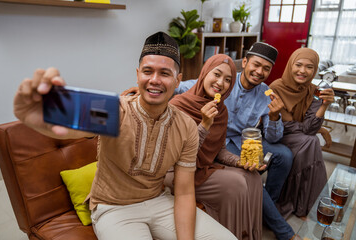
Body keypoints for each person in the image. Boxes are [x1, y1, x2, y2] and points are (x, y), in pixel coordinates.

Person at [13, 31, 236, 240]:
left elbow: (185, 193)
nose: (155, 80)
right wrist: (42, 114)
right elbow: (71, 123)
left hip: (160, 201)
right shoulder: (116, 109)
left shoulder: (186, 126)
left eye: (165, 73)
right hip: (114, 209)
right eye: (148, 71)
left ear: (178, 81)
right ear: (138, 75)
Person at [173, 43, 296, 240]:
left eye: (266, 68)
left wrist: (274, 117)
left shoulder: (265, 93)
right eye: (256, 65)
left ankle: (264, 206)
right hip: (221, 142)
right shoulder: (222, 78)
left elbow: (273, 137)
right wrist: (145, 90)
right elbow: (180, 86)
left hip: (240, 139)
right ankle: (281, 229)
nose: (259, 72)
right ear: (245, 62)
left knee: (285, 155)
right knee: (250, 174)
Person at [166, 54, 264, 239]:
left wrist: (241, 161)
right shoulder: (177, 105)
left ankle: (248, 236)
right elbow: (178, 156)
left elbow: (219, 151)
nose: (221, 83)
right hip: (177, 173)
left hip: (201, 168)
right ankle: (229, 234)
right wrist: (204, 125)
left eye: (228, 80)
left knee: (253, 178)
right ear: (204, 74)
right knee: (235, 185)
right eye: (216, 74)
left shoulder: (221, 109)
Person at [269, 48, 334, 218]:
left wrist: (324, 105)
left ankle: (305, 204)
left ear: (315, 70)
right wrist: (320, 129)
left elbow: (309, 129)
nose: (303, 71)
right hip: (278, 135)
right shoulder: (276, 87)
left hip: (302, 136)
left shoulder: (313, 90)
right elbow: (288, 126)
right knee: (311, 142)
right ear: (290, 65)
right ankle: (307, 204)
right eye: (298, 65)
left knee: (310, 141)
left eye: (309, 67)